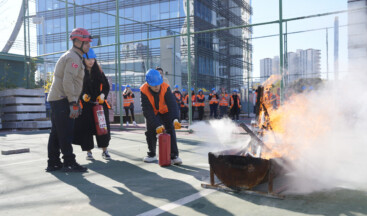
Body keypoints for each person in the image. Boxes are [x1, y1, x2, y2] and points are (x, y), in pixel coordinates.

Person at [46, 28, 92, 172]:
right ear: (77, 41)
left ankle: (53, 162)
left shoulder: (74, 56)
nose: (88, 46)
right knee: (65, 131)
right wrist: (73, 102)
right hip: (63, 99)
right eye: (86, 43)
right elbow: (68, 81)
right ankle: (69, 162)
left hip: (58, 98)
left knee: (57, 132)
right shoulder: (73, 58)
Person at [73, 48, 112, 161]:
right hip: (85, 106)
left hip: (99, 104)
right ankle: (89, 152)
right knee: (86, 129)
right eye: (88, 59)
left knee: (103, 128)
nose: (91, 61)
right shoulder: (79, 72)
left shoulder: (99, 71)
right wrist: (82, 95)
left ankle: (105, 151)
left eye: (93, 59)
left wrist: (103, 95)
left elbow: (106, 86)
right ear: (83, 60)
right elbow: (76, 87)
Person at [140, 69, 182, 165]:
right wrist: (156, 125)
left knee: (170, 129)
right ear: (148, 84)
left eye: (158, 83)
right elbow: (146, 111)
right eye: (154, 85)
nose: (157, 86)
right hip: (153, 113)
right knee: (150, 130)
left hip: (165, 111)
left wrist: (175, 118)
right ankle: (152, 154)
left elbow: (172, 105)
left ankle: (174, 156)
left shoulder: (165, 87)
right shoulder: (143, 90)